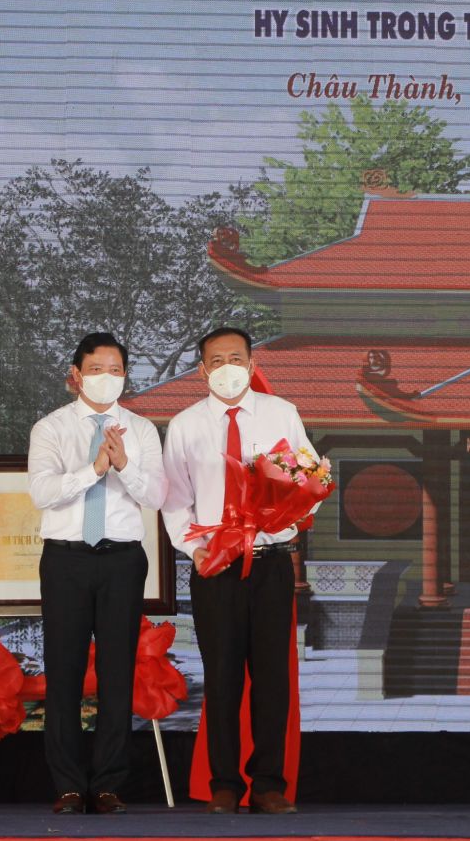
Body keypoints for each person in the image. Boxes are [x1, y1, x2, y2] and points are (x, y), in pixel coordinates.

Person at [162, 327, 316, 815]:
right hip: (216, 567)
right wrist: (195, 551)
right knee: (223, 675)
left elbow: (308, 478)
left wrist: (289, 514)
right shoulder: (185, 425)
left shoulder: (281, 413)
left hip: (270, 564)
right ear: (203, 369)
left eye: (236, 358)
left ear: (251, 365)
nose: (227, 367)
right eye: (216, 360)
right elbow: (174, 501)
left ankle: (269, 784)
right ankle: (224, 783)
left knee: (271, 677)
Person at [29, 333, 166, 814]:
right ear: (75, 375)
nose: (106, 378)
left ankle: (108, 784)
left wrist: (123, 465)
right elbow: (43, 493)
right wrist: (94, 468)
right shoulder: (50, 428)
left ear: (125, 376)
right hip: (66, 558)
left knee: (116, 671)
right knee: (63, 670)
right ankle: (68, 785)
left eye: (115, 370)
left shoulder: (142, 430)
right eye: (96, 369)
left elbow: (155, 495)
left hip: (122, 559)